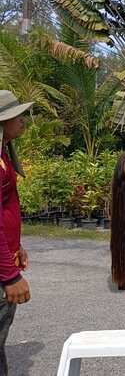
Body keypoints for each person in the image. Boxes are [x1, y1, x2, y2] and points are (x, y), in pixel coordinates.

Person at [0, 90, 34, 375]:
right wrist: (10, 275)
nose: (23, 120)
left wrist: (16, 245)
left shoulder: (3, 154)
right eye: (16, 115)